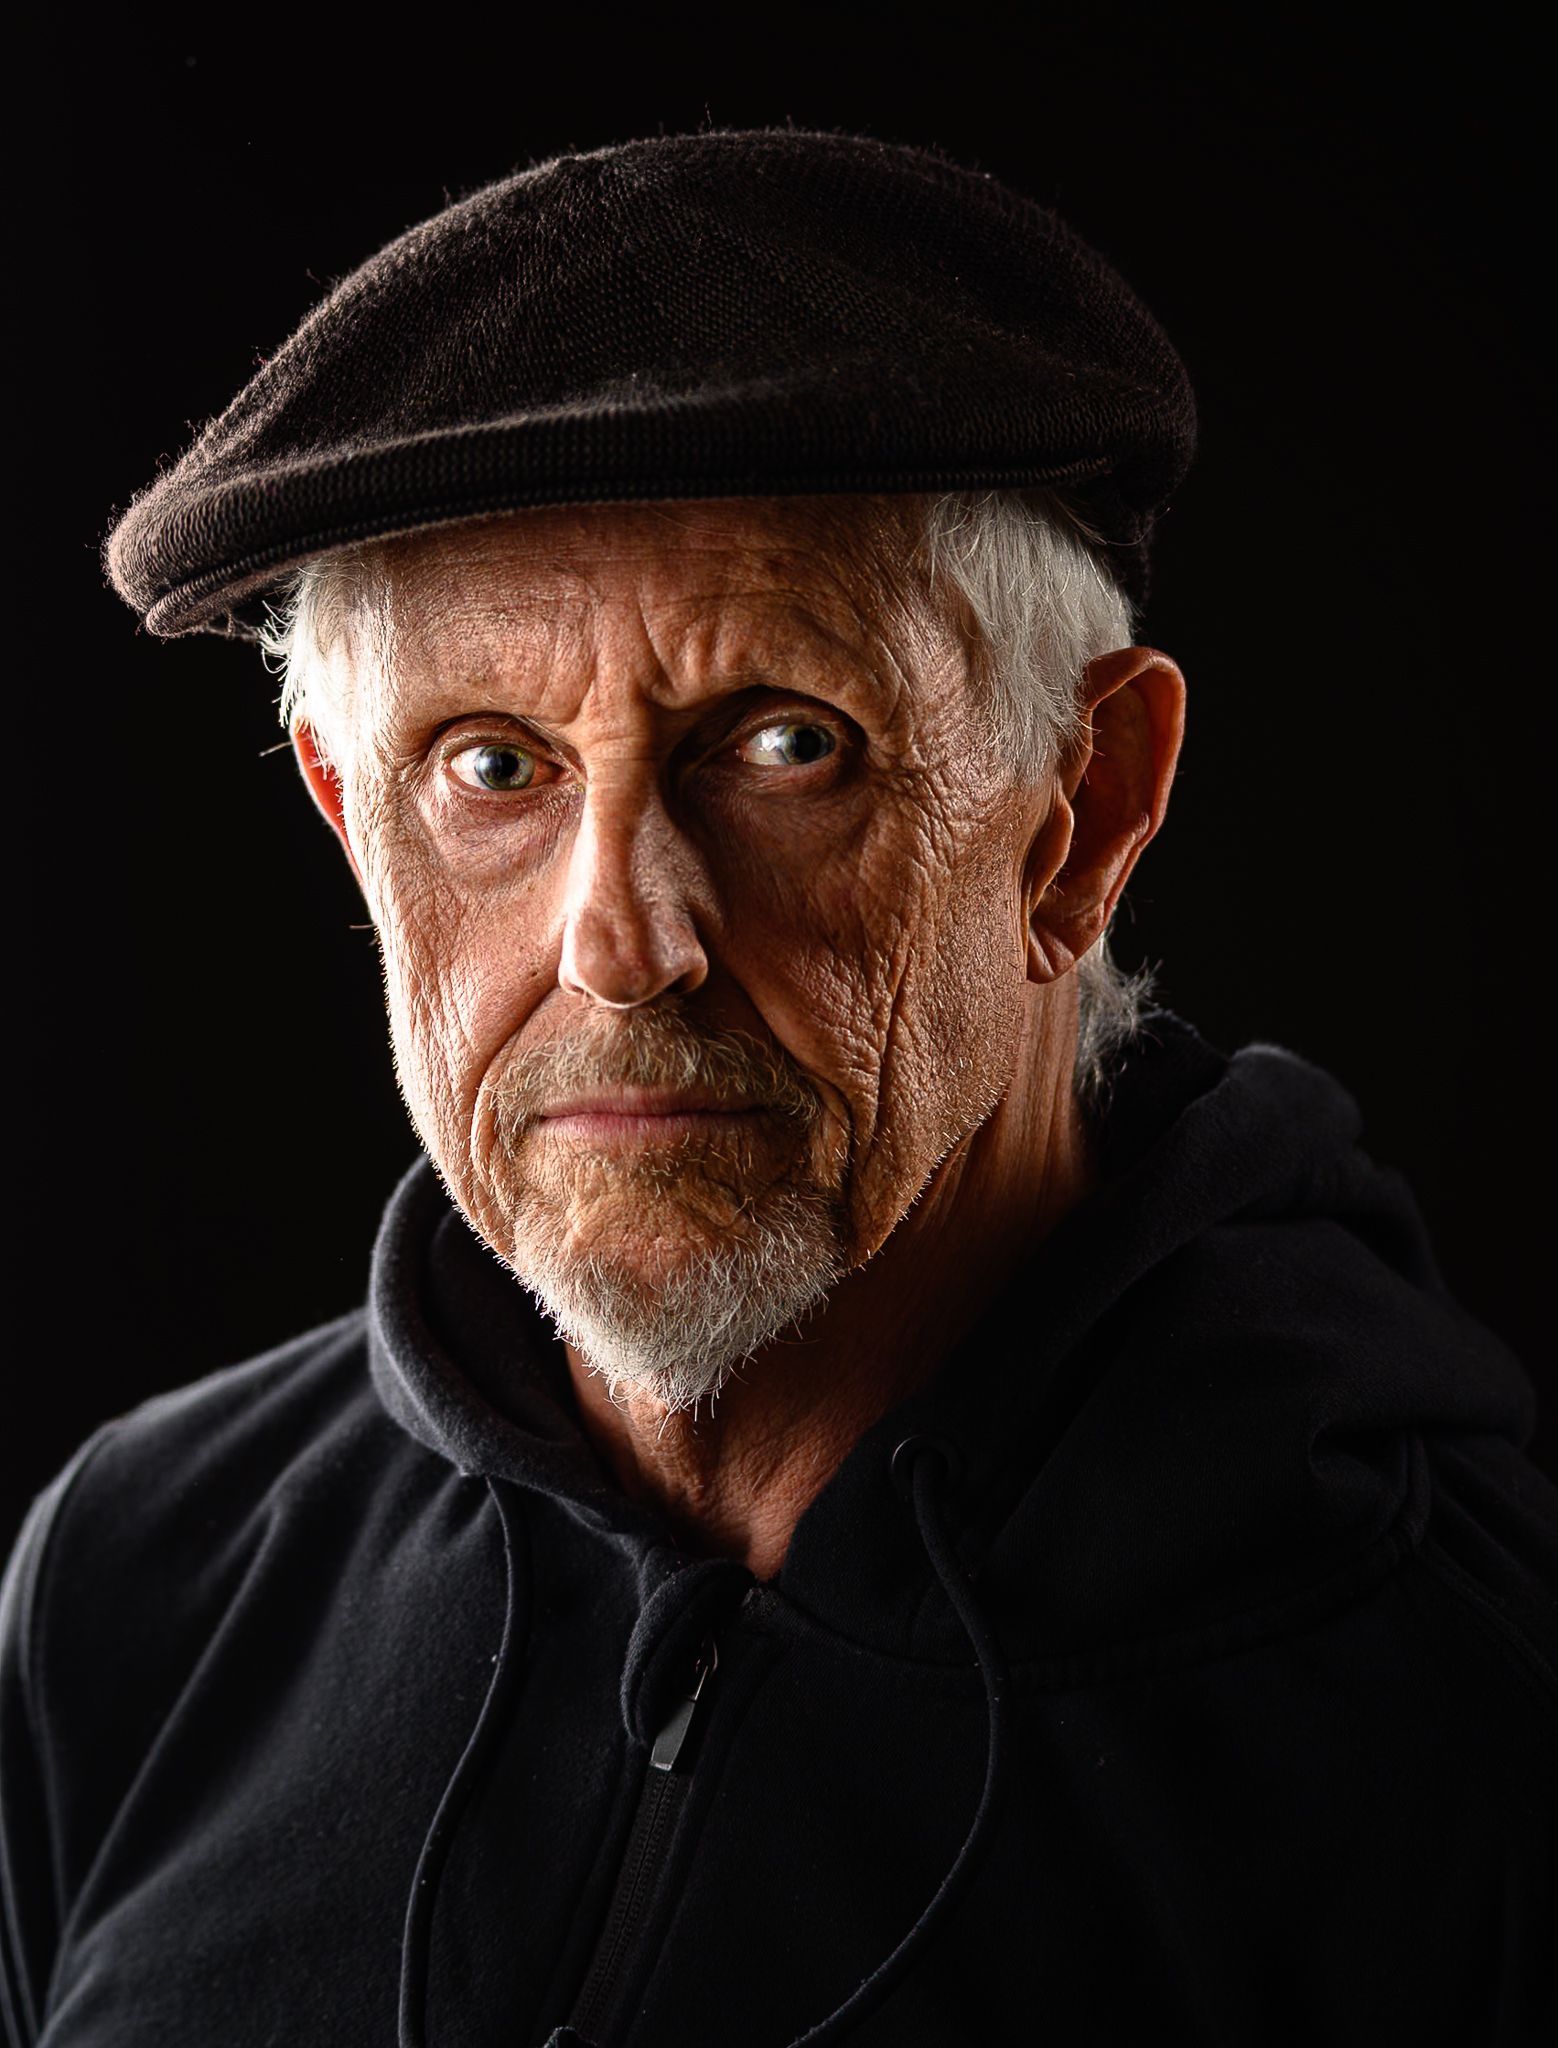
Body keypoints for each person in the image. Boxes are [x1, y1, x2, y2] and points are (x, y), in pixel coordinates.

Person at [3, 129, 1553, 2048]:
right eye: (490, 769)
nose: (622, 941)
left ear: (1083, 813)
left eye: (782, 742)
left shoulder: (1463, 1712)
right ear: (347, 820)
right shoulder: (142, 1583)